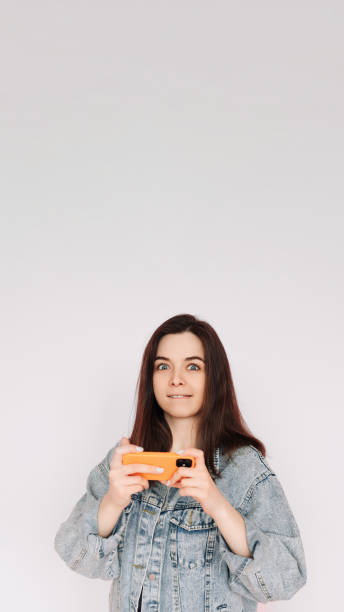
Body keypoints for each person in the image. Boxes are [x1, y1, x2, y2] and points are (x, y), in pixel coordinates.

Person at [54, 313, 307, 611]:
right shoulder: (125, 461)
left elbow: (286, 578)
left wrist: (215, 503)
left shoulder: (244, 468)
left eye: (193, 366)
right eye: (163, 366)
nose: (176, 379)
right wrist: (113, 500)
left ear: (214, 377)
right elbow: (74, 553)